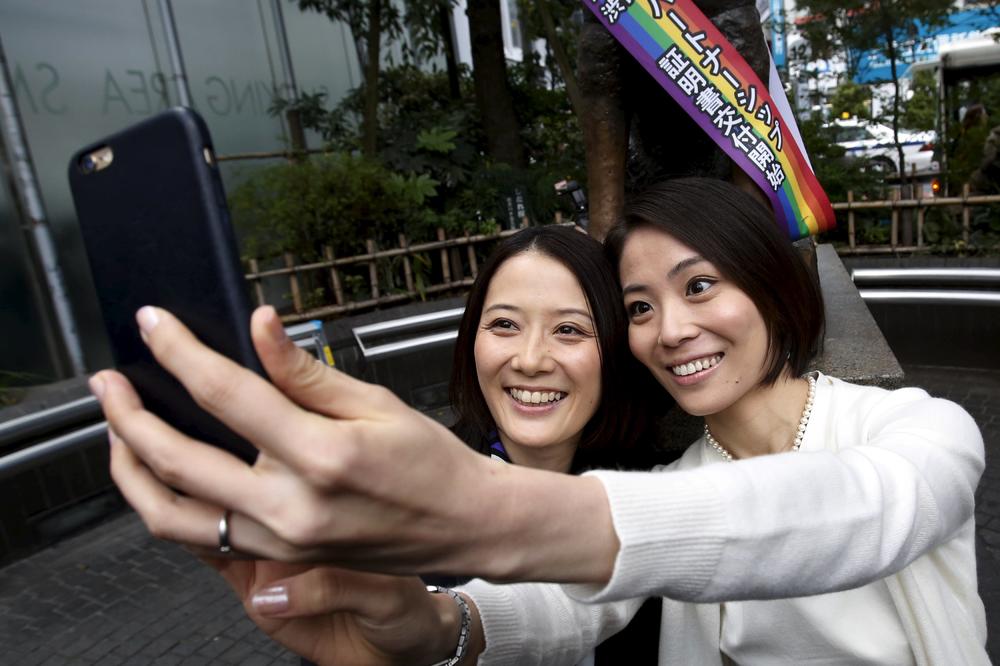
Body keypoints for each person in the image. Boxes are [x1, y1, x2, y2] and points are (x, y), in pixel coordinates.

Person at [92, 178, 987, 664]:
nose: (673, 330)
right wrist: (435, 628)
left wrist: (488, 510)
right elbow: (561, 616)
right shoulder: (669, 490)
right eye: (639, 306)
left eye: (701, 286)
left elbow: (862, 514)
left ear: (777, 288)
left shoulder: (917, 431)